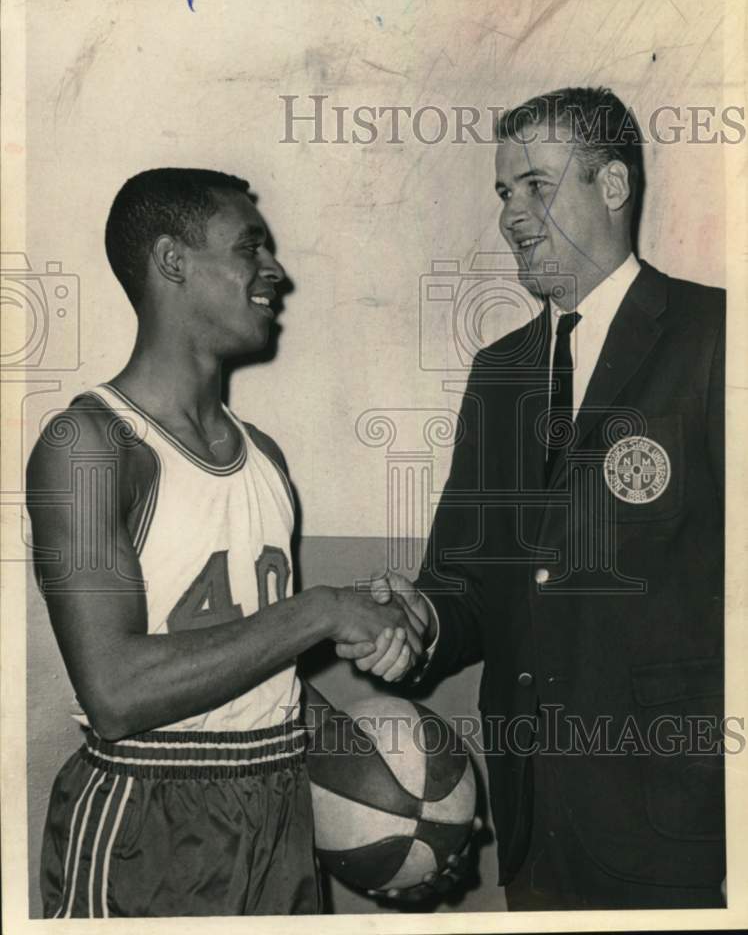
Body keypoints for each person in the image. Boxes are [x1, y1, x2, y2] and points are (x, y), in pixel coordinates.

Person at [343, 87, 726, 910]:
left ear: (612, 186)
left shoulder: (715, 338)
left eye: (536, 187)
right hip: (531, 824)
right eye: (504, 193)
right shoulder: (500, 371)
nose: (513, 215)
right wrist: (419, 626)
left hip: (682, 825)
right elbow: (467, 581)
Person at [25, 168, 427, 918]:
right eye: (250, 248)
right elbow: (114, 692)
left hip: (278, 813)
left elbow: (256, 681)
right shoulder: (87, 446)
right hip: (149, 828)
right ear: (173, 261)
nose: (275, 271)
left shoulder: (264, 455)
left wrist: (403, 804)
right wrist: (322, 612)